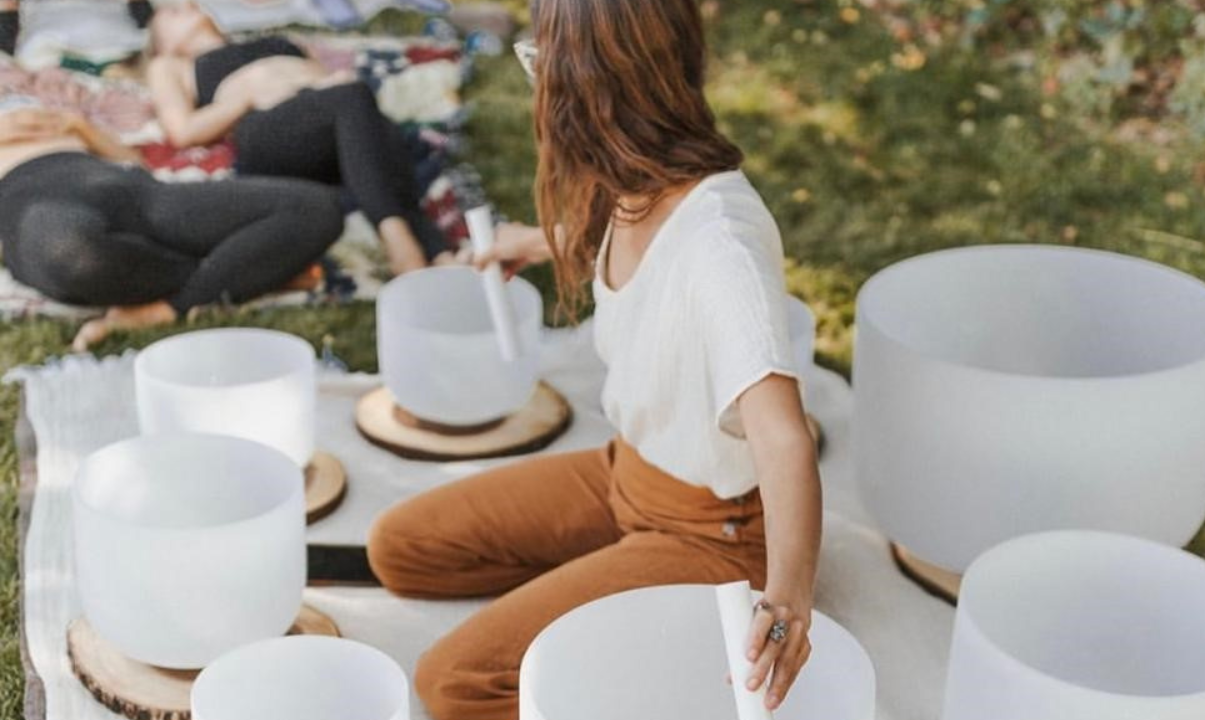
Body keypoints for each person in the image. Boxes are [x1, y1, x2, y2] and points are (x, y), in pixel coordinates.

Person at [365, 1, 823, 718]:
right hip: (625, 474)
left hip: (713, 531)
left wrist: (789, 602)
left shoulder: (722, 244)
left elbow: (783, 435)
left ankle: (644, 629)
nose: (537, 82)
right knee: (402, 549)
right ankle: (616, 604)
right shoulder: (637, 183)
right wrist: (540, 240)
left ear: (596, 88)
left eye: (544, 63)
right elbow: (643, 255)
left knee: (455, 681)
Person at [0, 98, 344, 348]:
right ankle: (243, 269)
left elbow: (132, 160)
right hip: (28, 202)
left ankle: (169, 306)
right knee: (74, 255)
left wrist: (77, 125)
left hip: (127, 190)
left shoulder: (41, 111)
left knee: (314, 207)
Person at [146, 2, 447, 274]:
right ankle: (398, 241)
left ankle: (442, 257)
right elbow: (182, 130)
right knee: (355, 102)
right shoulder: (171, 65)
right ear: (164, 43)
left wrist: (333, 83)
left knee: (373, 133)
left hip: (335, 114)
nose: (187, 4)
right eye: (172, 12)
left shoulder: (272, 40)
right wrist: (246, 96)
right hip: (268, 129)